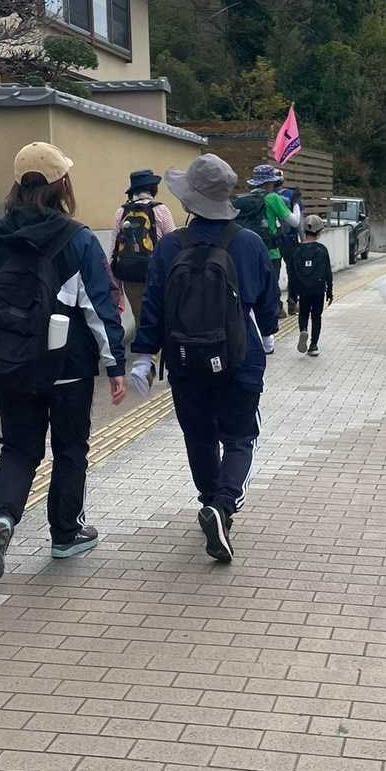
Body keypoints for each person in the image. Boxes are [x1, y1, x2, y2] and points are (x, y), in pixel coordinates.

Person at [0, 143, 127, 579]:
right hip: (67, 366)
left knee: (18, 447)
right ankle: (65, 533)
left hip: (13, 361)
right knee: (70, 449)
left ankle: (3, 517)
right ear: (62, 184)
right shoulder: (76, 238)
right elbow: (98, 307)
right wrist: (114, 365)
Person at [130, 154, 280, 564]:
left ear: (190, 201)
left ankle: (208, 499)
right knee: (240, 437)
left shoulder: (170, 246)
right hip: (240, 358)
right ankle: (223, 506)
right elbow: (268, 303)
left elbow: (154, 307)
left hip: (184, 360)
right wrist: (268, 337)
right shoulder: (249, 243)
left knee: (199, 437)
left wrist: (143, 357)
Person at [107, 168, 176, 328]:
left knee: (140, 318)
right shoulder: (161, 210)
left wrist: (115, 284)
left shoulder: (121, 212)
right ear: (153, 189)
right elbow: (173, 244)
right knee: (160, 317)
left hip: (129, 275)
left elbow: (113, 249)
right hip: (156, 274)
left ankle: (142, 342)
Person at [234, 164, 299, 318]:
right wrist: (296, 204)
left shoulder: (244, 199)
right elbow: (294, 222)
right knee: (269, 288)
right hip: (270, 250)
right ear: (269, 183)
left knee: (252, 285)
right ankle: (271, 316)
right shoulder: (273, 198)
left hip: (248, 250)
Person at [289, 215, 333, 357]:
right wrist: (330, 291)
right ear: (319, 232)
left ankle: (303, 330)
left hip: (302, 289)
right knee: (316, 316)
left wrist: (292, 295)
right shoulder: (322, 250)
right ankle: (313, 345)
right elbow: (328, 272)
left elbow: (292, 274)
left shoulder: (296, 251)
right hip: (318, 289)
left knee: (303, 313)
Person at [279, 184, 304, 315]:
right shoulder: (293, 196)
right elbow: (299, 223)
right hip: (290, 240)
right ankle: (292, 303)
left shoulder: (268, 196)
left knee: (273, 273)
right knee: (293, 272)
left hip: (272, 240)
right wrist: (303, 240)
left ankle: (277, 306)